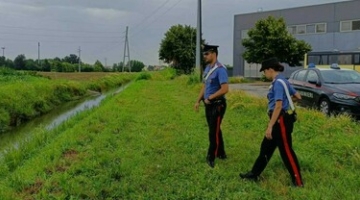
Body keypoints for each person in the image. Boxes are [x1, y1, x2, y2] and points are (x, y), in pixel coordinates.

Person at [239, 57, 304, 187]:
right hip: (280, 120)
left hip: (280, 122)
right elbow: (298, 97)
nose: (264, 74)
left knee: (286, 151)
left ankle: (298, 182)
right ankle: (254, 174)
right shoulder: (283, 81)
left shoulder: (278, 83)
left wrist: (270, 126)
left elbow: (278, 106)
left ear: (269, 69)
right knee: (265, 149)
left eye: (264, 71)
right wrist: (288, 102)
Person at [194, 44, 229, 168]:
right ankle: (221, 153)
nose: (205, 56)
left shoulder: (220, 69)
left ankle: (211, 157)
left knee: (212, 132)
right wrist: (198, 100)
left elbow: (225, 89)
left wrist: (210, 97)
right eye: (204, 54)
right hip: (208, 104)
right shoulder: (208, 69)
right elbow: (205, 86)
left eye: (207, 54)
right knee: (215, 129)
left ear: (214, 54)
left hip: (217, 105)